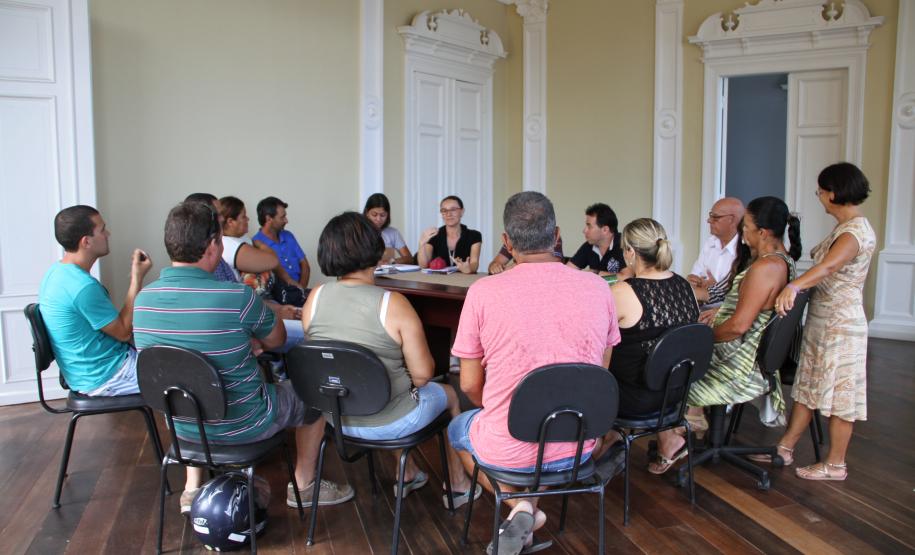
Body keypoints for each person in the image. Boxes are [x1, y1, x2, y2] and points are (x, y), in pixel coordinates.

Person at [133, 202, 353, 516]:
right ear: (213, 246)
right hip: (245, 423)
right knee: (314, 392)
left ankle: (192, 488)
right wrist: (246, 339)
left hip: (183, 428)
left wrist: (234, 341)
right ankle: (304, 485)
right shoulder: (236, 297)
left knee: (193, 387)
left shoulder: (143, 301)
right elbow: (277, 340)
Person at [449, 192, 621, 552]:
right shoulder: (598, 287)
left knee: (457, 429)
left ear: (507, 242)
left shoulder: (483, 292)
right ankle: (527, 510)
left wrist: (502, 409)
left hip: (508, 445)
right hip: (578, 443)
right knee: (543, 442)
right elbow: (600, 371)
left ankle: (521, 507)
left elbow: (469, 384)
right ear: (556, 236)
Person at [301, 212, 479, 507]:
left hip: (337, 419)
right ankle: (458, 486)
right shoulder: (392, 302)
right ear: (374, 248)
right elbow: (422, 375)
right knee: (448, 394)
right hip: (389, 422)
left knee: (382, 386)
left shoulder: (315, 298)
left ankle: (407, 473)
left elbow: (327, 360)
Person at [655, 197, 801, 474]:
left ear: (763, 232)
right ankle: (687, 425)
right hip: (749, 354)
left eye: (746, 227)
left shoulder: (765, 268)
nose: (742, 233)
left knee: (666, 362)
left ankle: (674, 436)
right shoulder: (784, 261)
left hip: (737, 363)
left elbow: (738, 326)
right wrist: (720, 311)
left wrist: (702, 339)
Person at [754, 162, 876, 482]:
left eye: (820, 192)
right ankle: (784, 448)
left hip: (841, 325)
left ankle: (835, 464)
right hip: (823, 321)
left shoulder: (854, 232)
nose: (819, 197)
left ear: (832, 193)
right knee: (807, 387)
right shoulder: (843, 227)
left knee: (841, 395)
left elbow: (828, 268)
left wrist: (793, 287)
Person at [602, 218, 699, 473]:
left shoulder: (623, 292)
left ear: (630, 252)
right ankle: (626, 438)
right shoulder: (685, 286)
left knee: (591, 371)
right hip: (676, 393)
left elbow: (600, 351)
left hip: (635, 399)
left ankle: (599, 444)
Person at [38, 205, 152, 396]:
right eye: (102, 230)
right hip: (107, 375)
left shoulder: (56, 272)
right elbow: (124, 332)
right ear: (86, 241)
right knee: (184, 377)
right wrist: (137, 278)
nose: (108, 234)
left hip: (93, 369)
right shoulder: (82, 287)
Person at [186, 193, 303, 353]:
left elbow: (242, 300)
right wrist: (276, 313)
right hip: (248, 325)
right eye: (219, 215)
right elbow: (272, 261)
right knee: (308, 333)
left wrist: (279, 310)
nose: (222, 219)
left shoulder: (222, 261)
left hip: (257, 310)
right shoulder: (228, 247)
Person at [688, 197, 745, 304]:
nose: (709, 220)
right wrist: (693, 282)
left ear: (732, 220)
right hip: (702, 305)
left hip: (726, 309)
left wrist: (714, 288)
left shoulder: (745, 249)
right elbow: (694, 278)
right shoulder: (710, 242)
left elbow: (737, 295)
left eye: (715, 217)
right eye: (710, 215)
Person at [217, 196, 281, 283]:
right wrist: (259, 244)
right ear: (230, 222)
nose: (248, 219)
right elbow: (273, 261)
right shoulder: (228, 245)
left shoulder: (240, 237)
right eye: (243, 216)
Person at [253, 196, 311, 288]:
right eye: (282, 217)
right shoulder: (256, 244)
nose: (286, 221)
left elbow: (305, 265)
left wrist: (301, 291)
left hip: (299, 291)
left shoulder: (288, 235)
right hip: (279, 295)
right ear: (269, 219)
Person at [417, 195, 482, 274]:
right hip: (437, 280)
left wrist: (469, 268)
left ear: (462, 211)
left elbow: (474, 264)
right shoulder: (434, 235)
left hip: (463, 279)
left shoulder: (474, 235)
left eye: (453, 209)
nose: (448, 214)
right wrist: (421, 244)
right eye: (444, 210)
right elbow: (423, 265)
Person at [567, 203, 631, 279]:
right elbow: (567, 271)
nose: (584, 230)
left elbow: (627, 277)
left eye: (589, 226)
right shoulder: (589, 245)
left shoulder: (624, 244)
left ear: (605, 230)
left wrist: (595, 273)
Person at [363, 193, 413, 265]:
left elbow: (409, 258)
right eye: (374, 214)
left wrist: (391, 261)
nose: (378, 219)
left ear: (388, 215)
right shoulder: (358, 231)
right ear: (367, 213)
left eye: (383, 215)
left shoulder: (393, 233)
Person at [487, 231, 563, 274]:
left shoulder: (550, 234)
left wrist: (511, 267)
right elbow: (496, 263)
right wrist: (494, 267)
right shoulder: (514, 236)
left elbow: (554, 264)